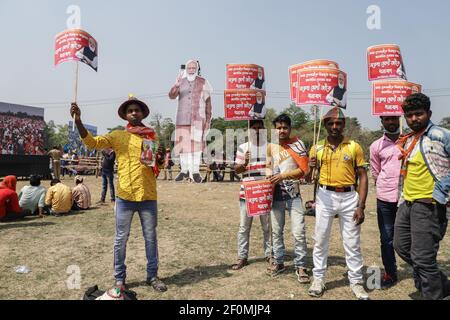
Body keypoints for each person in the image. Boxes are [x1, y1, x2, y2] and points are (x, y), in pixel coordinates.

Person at [70, 96, 168, 293]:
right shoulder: (117, 136)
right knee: (120, 239)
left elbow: (157, 166)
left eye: (137, 110)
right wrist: (79, 121)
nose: (133, 113)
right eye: (130, 110)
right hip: (124, 196)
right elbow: (91, 142)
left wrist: (161, 159)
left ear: (142, 114)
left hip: (148, 195)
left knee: (151, 238)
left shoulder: (152, 137)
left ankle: (152, 275)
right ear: (125, 115)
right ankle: (119, 279)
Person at [308, 107, 369, 300]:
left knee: (352, 242)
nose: (335, 126)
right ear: (325, 125)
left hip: (350, 197)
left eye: (338, 123)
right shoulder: (317, 148)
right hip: (325, 196)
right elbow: (309, 178)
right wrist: (310, 169)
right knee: (320, 239)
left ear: (344, 125)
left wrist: (361, 205)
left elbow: (363, 177)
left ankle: (357, 282)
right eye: (331, 123)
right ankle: (318, 279)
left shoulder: (353, 146)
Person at [394, 93, 450, 300]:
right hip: (407, 203)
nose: (414, 119)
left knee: (423, 257)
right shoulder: (408, 140)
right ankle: (442, 284)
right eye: (409, 115)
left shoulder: (441, 135)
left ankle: (432, 294)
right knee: (401, 246)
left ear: (429, 113)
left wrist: (443, 189)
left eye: (419, 114)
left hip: (429, 204)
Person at [266, 114, 310, 284]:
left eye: (285, 127)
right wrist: (269, 176)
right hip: (275, 196)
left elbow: (303, 170)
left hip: (293, 195)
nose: (282, 130)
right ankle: (279, 262)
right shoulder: (270, 147)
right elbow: (268, 167)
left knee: (298, 232)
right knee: (276, 231)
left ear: (290, 129)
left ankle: (300, 265)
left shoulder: (297, 145)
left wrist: (283, 176)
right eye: (279, 128)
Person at [231, 120, 271, 270]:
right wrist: (245, 163)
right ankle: (242, 257)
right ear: (249, 130)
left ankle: (269, 254)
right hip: (247, 192)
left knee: (267, 227)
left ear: (264, 129)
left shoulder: (270, 147)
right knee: (244, 227)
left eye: (259, 127)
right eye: (253, 128)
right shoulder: (243, 148)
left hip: (264, 192)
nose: (257, 130)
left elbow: (274, 169)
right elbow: (237, 170)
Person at [369, 116, 402, 289]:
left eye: (394, 118)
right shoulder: (376, 146)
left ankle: (421, 273)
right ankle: (390, 273)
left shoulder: (410, 141)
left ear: (399, 118)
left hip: (408, 197)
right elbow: (375, 171)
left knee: (413, 239)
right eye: (386, 119)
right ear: (381, 121)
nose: (391, 122)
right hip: (385, 198)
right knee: (387, 238)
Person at [169, 60, 213, 183]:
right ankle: (184, 171)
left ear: (197, 68)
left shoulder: (203, 82)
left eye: (194, 67)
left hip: (198, 119)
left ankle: (195, 172)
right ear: (186, 69)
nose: (191, 69)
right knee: (183, 147)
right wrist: (176, 85)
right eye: (189, 67)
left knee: (196, 148)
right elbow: (171, 96)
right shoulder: (180, 82)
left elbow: (208, 102)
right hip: (182, 118)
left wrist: (208, 120)